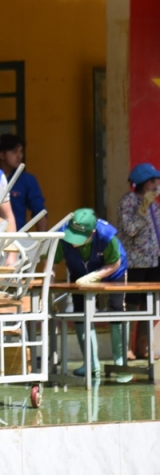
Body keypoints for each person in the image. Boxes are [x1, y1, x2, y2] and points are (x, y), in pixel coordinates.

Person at [54, 208, 131, 383]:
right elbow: (51, 262)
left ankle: (120, 362)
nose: (73, 243)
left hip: (112, 271)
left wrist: (94, 276)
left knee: (117, 308)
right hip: (78, 272)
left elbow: (114, 263)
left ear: (92, 232)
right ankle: (90, 363)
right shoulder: (61, 235)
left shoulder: (106, 236)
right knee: (80, 312)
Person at [117, 163, 160, 361]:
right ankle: (125, 348)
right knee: (131, 305)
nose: (158, 185)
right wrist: (142, 209)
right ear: (147, 183)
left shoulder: (155, 205)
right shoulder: (129, 202)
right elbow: (130, 229)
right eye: (155, 181)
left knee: (149, 305)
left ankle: (143, 346)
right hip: (135, 262)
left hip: (154, 261)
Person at [0, 133, 47, 230]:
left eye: (21, 152)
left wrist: (43, 241)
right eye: (14, 152)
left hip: (16, 238)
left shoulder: (28, 180)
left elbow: (39, 212)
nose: (19, 156)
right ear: (1, 155)